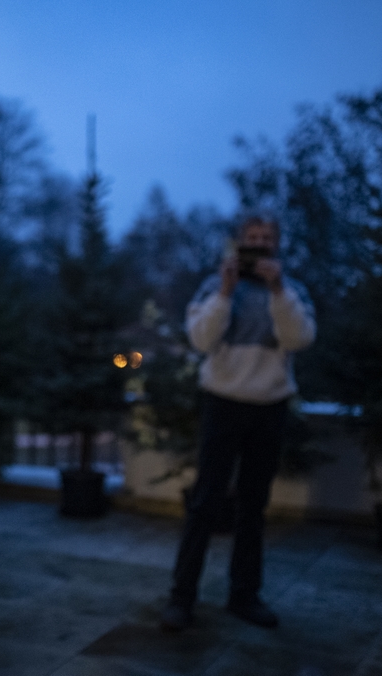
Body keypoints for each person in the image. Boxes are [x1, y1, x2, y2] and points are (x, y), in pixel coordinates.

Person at [161, 214, 316, 631]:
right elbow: (200, 339)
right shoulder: (214, 287)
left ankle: (244, 595)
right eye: (252, 237)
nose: (260, 244)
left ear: (276, 244)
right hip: (222, 403)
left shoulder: (292, 290)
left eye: (267, 238)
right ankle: (181, 597)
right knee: (204, 503)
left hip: (270, 405)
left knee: (253, 506)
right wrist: (225, 293)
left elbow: (300, 338)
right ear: (239, 243)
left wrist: (278, 290)